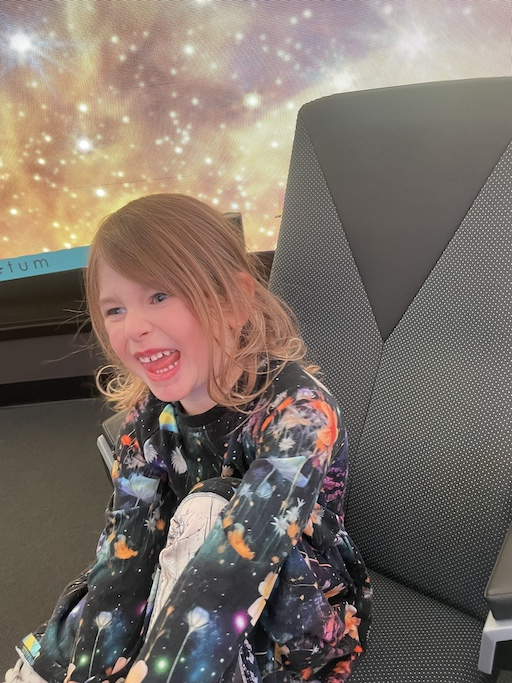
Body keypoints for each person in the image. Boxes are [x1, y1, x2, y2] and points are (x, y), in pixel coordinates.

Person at [5, 194, 372, 683]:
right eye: (115, 309)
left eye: (160, 296)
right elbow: (123, 559)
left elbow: (235, 570)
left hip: (293, 608)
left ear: (234, 302)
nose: (135, 327)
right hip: (181, 580)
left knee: (209, 505)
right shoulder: (147, 419)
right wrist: (86, 669)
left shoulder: (300, 414)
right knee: (72, 641)